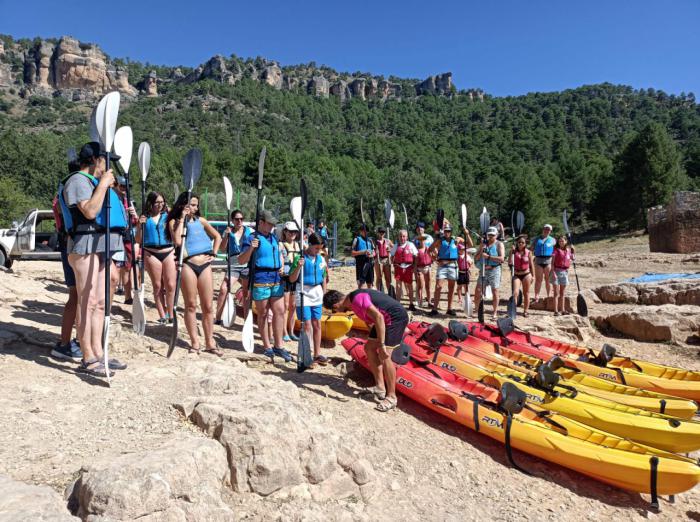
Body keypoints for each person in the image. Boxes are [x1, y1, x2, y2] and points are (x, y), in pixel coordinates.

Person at [58, 141, 128, 376]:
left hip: (98, 245)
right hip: (83, 246)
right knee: (86, 302)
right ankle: (87, 355)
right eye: (106, 162)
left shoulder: (94, 182)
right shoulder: (77, 180)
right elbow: (89, 211)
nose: (109, 167)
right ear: (96, 160)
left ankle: (99, 352)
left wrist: (106, 185)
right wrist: (104, 185)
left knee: (98, 302)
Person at [324, 288, 409, 412]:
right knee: (369, 348)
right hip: (383, 320)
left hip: (395, 318)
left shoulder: (357, 299)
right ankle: (380, 387)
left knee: (385, 356)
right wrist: (373, 339)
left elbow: (379, 317)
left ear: (336, 304)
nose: (335, 312)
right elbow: (370, 320)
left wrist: (381, 343)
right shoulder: (352, 304)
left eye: (334, 310)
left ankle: (391, 397)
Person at [166, 193, 222, 355]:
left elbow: (217, 236)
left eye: (196, 205)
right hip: (188, 264)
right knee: (190, 304)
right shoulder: (174, 222)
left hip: (205, 265)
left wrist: (214, 253)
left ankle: (210, 341)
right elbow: (177, 241)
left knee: (208, 306)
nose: (194, 208)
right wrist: (182, 218)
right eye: (191, 204)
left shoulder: (201, 221)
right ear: (183, 205)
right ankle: (195, 342)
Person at [239, 209, 291, 362]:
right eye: (269, 224)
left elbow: (279, 254)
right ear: (260, 223)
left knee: (280, 311)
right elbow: (242, 260)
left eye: (273, 224)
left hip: (276, 277)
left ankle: (279, 345)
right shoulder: (251, 238)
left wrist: (281, 264)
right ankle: (267, 346)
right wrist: (251, 248)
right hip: (261, 277)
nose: (272, 227)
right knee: (262, 313)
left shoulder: (274, 238)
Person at [50, 157, 82, 362]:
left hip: (68, 243)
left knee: (77, 295)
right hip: (72, 243)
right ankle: (65, 343)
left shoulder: (62, 190)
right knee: (76, 295)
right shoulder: (71, 189)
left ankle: (72, 341)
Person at [137, 191, 176, 324]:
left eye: (162, 202)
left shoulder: (168, 217)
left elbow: (176, 232)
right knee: (158, 285)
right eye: (157, 202)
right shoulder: (144, 217)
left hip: (168, 250)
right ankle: (162, 314)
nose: (160, 205)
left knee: (171, 285)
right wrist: (139, 226)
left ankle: (171, 313)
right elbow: (138, 239)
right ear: (151, 203)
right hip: (150, 252)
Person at [289, 233, 328, 366]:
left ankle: (317, 354)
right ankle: (307, 354)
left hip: (317, 293)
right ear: (309, 245)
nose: (319, 251)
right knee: (307, 325)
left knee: (317, 324)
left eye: (320, 248)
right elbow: (292, 279)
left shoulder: (321, 259)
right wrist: (299, 266)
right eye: (316, 248)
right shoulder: (300, 258)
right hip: (303, 292)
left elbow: (324, 278)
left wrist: (324, 292)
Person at [214, 209, 252, 325]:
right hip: (233, 264)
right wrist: (226, 236)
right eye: (237, 219)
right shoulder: (228, 232)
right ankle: (218, 318)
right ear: (233, 220)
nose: (239, 221)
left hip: (246, 264)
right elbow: (222, 248)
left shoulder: (249, 231)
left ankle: (246, 320)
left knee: (246, 293)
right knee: (223, 289)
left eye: (241, 219)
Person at [112, 176, 139, 306]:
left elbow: (135, 222)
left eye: (126, 187)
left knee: (128, 267)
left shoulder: (128, 201)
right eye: (122, 186)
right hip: (115, 237)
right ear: (115, 186)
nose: (124, 189)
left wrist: (134, 215)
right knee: (115, 269)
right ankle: (109, 298)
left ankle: (128, 296)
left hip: (127, 237)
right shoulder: (111, 199)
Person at [473, 226, 505, 320]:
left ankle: (494, 312)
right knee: (478, 290)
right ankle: (477, 310)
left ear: (496, 235)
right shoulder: (483, 244)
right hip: (483, 270)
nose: (490, 237)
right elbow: (476, 258)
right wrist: (481, 251)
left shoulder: (499, 244)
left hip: (495, 270)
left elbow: (502, 259)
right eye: (489, 235)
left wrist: (488, 257)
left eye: (492, 235)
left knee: (495, 291)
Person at [428, 223, 461, 316]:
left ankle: (449, 309)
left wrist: (466, 234)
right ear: (444, 232)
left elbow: (470, 244)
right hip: (442, 265)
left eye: (449, 231)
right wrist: (435, 260)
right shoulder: (439, 241)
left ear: (451, 232)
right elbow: (429, 250)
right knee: (438, 286)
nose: (447, 233)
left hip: (453, 265)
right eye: (446, 231)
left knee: (451, 288)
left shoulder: (455, 240)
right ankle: (434, 309)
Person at [280, 221, 301, 341]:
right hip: (285, 277)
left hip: (296, 277)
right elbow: (280, 259)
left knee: (293, 306)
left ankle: (291, 331)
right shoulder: (281, 245)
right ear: (285, 232)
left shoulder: (299, 245)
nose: (292, 233)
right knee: (285, 305)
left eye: (294, 232)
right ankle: (283, 332)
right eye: (290, 231)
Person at [390, 229, 417, 311]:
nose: (402, 238)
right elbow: (391, 256)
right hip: (398, 267)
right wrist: (393, 264)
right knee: (398, 286)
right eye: (401, 236)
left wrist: (414, 267)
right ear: (398, 237)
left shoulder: (411, 245)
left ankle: (411, 303)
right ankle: (398, 303)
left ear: (407, 237)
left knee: (409, 285)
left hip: (408, 268)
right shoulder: (396, 245)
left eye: (404, 236)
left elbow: (416, 256)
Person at [509, 235, 535, 317]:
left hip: (526, 274)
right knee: (515, 292)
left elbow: (531, 265)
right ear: (517, 243)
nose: (520, 244)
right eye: (519, 242)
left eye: (522, 242)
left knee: (526, 293)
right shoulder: (513, 252)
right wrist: (511, 253)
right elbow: (510, 263)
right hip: (516, 274)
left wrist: (533, 276)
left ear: (525, 244)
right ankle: (513, 310)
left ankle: (525, 311)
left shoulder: (529, 252)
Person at [550, 235, 575, 316]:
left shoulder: (568, 250)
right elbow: (552, 263)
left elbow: (573, 258)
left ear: (566, 242)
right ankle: (556, 311)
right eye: (560, 241)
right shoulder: (556, 250)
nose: (561, 242)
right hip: (556, 272)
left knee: (562, 293)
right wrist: (553, 273)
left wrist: (573, 250)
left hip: (564, 272)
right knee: (556, 293)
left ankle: (563, 310)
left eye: (562, 241)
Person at [531, 224, 557, 302]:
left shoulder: (553, 240)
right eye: (545, 229)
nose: (546, 230)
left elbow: (557, 250)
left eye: (548, 229)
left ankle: (548, 295)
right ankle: (536, 296)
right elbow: (531, 249)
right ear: (543, 229)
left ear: (550, 231)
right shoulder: (536, 239)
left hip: (548, 260)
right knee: (538, 279)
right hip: (538, 260)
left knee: (548, 279)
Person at [351, 223, 375, 289]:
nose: (365, 232)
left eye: (366, 231)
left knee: (370, 283)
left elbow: (374, 252)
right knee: (361, 284)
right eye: (364, 230)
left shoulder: (370, 240)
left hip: (369, 263)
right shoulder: (357, 239)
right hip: (361, 264)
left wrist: (372, 254)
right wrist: (363, 252)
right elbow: (352, 253)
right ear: (360, 231)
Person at [414, 233, 433, 308]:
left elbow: (433, 256)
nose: (422, 241)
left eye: (423, 240)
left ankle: (429, 301)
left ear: (425, 241)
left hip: (428, 267)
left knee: (428, 286)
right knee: (420, 285)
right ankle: (420, 301)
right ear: (419, 241)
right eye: (420, 240)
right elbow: (415, 261)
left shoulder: (428, 249)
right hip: (420, 268)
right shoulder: (417, 250)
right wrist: (415, 269)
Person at [374, 227, 393, 292]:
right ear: (378, 233)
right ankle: (379, 292)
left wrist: (390, 249)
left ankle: (389, 292)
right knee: (379, 278)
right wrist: (374, 252)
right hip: (378, 260)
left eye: (383, 232)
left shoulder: (388, 241)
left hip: (387, 260)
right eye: (380, 232)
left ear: (384, 233)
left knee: (388, 278)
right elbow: (372, 251)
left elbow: (394, 249)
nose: (381, 233)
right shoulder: (375, 242)